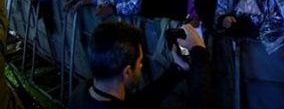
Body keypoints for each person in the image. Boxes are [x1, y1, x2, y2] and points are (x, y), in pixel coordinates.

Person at [68, 21, 211, 108]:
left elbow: (139, 104)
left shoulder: (82, 92)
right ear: (127, 72)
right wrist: (200, 54)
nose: (141, 66)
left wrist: (178, 68)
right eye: (139, 62)